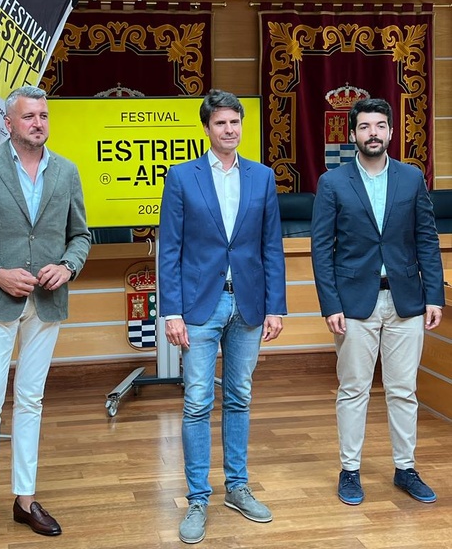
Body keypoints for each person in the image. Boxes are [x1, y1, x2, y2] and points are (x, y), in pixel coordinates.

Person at [0, 86, 91, 549]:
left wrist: (67, 266)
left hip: (46, 304)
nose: (38, 123)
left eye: (44, 116)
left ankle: (25, 500)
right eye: (29, 116)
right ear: (8, 123)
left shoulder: (66, 171)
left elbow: (80, 237)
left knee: (31, 401)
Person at [159, 89, 286, 544]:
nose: (229, 130)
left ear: (241, 125)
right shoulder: (182, 177)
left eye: (234, 122)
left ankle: (237, 487)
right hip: (199, 306)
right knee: (197, 401)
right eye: (220, 123)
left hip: (249, 304)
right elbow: (170, 249)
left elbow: (271, 246)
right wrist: (170, 311)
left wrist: (276, 305)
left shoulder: (262, 177)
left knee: (240, 397)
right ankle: (197, 497)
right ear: (206, 128)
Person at [311, 97, 444, 507]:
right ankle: (349, 471)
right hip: (353, 305)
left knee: (404, 390)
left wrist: (434, 295)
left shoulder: (410, 178)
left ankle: (405, 469)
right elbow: (321, 248)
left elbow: (426, 238)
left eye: (380, 126)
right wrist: (330, 304)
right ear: (353, 134)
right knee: (354, 389)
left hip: (406, 301)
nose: (373, 133)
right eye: (365, 126)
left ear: (390, 132)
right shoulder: (332, 183)